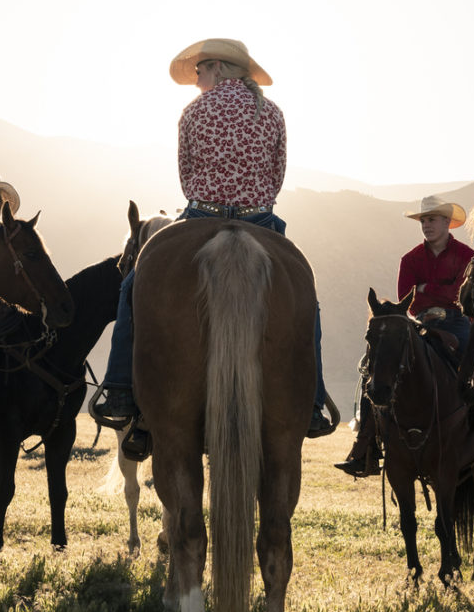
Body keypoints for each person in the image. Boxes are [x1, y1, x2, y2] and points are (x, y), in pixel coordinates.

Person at [91, 38, 336, 448]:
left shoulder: (192, 112)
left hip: (202, 215)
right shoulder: (273, 113)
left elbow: (186, 175)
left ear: (220, 68)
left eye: (200, 71)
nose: (196, 80)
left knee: (132, 286)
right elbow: (277, 175)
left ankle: (119, 388)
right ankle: (311, 402)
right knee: (305, 300)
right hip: (261, 219)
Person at [335, 197, 474, 481]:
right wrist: (437, 293)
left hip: (459, 323)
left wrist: (428, 289)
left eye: (431, 220)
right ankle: (362, 449)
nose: (426, 225)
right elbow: (409, 300)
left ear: (446, 222)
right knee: (375, 367)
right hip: (419, 322)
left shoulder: (467, 256)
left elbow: (462, 295)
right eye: (423, 221)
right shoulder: (410, 259)